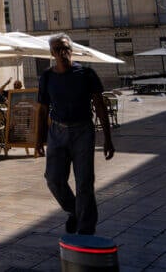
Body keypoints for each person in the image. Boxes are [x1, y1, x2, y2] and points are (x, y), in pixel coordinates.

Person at [36, 33, 114, 236]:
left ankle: (86, 230)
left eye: (66, 48)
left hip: (82, 131)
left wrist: (107, 138)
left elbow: (100, 106)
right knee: (53, 179)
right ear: (52, 53)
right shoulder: (47, 77)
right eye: (58, 50)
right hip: (57, 131)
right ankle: (74, 211)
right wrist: (38, 140)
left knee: (85, 182)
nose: (63, 53)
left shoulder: (87, 74)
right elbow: (43, 110)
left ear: (72, 50)